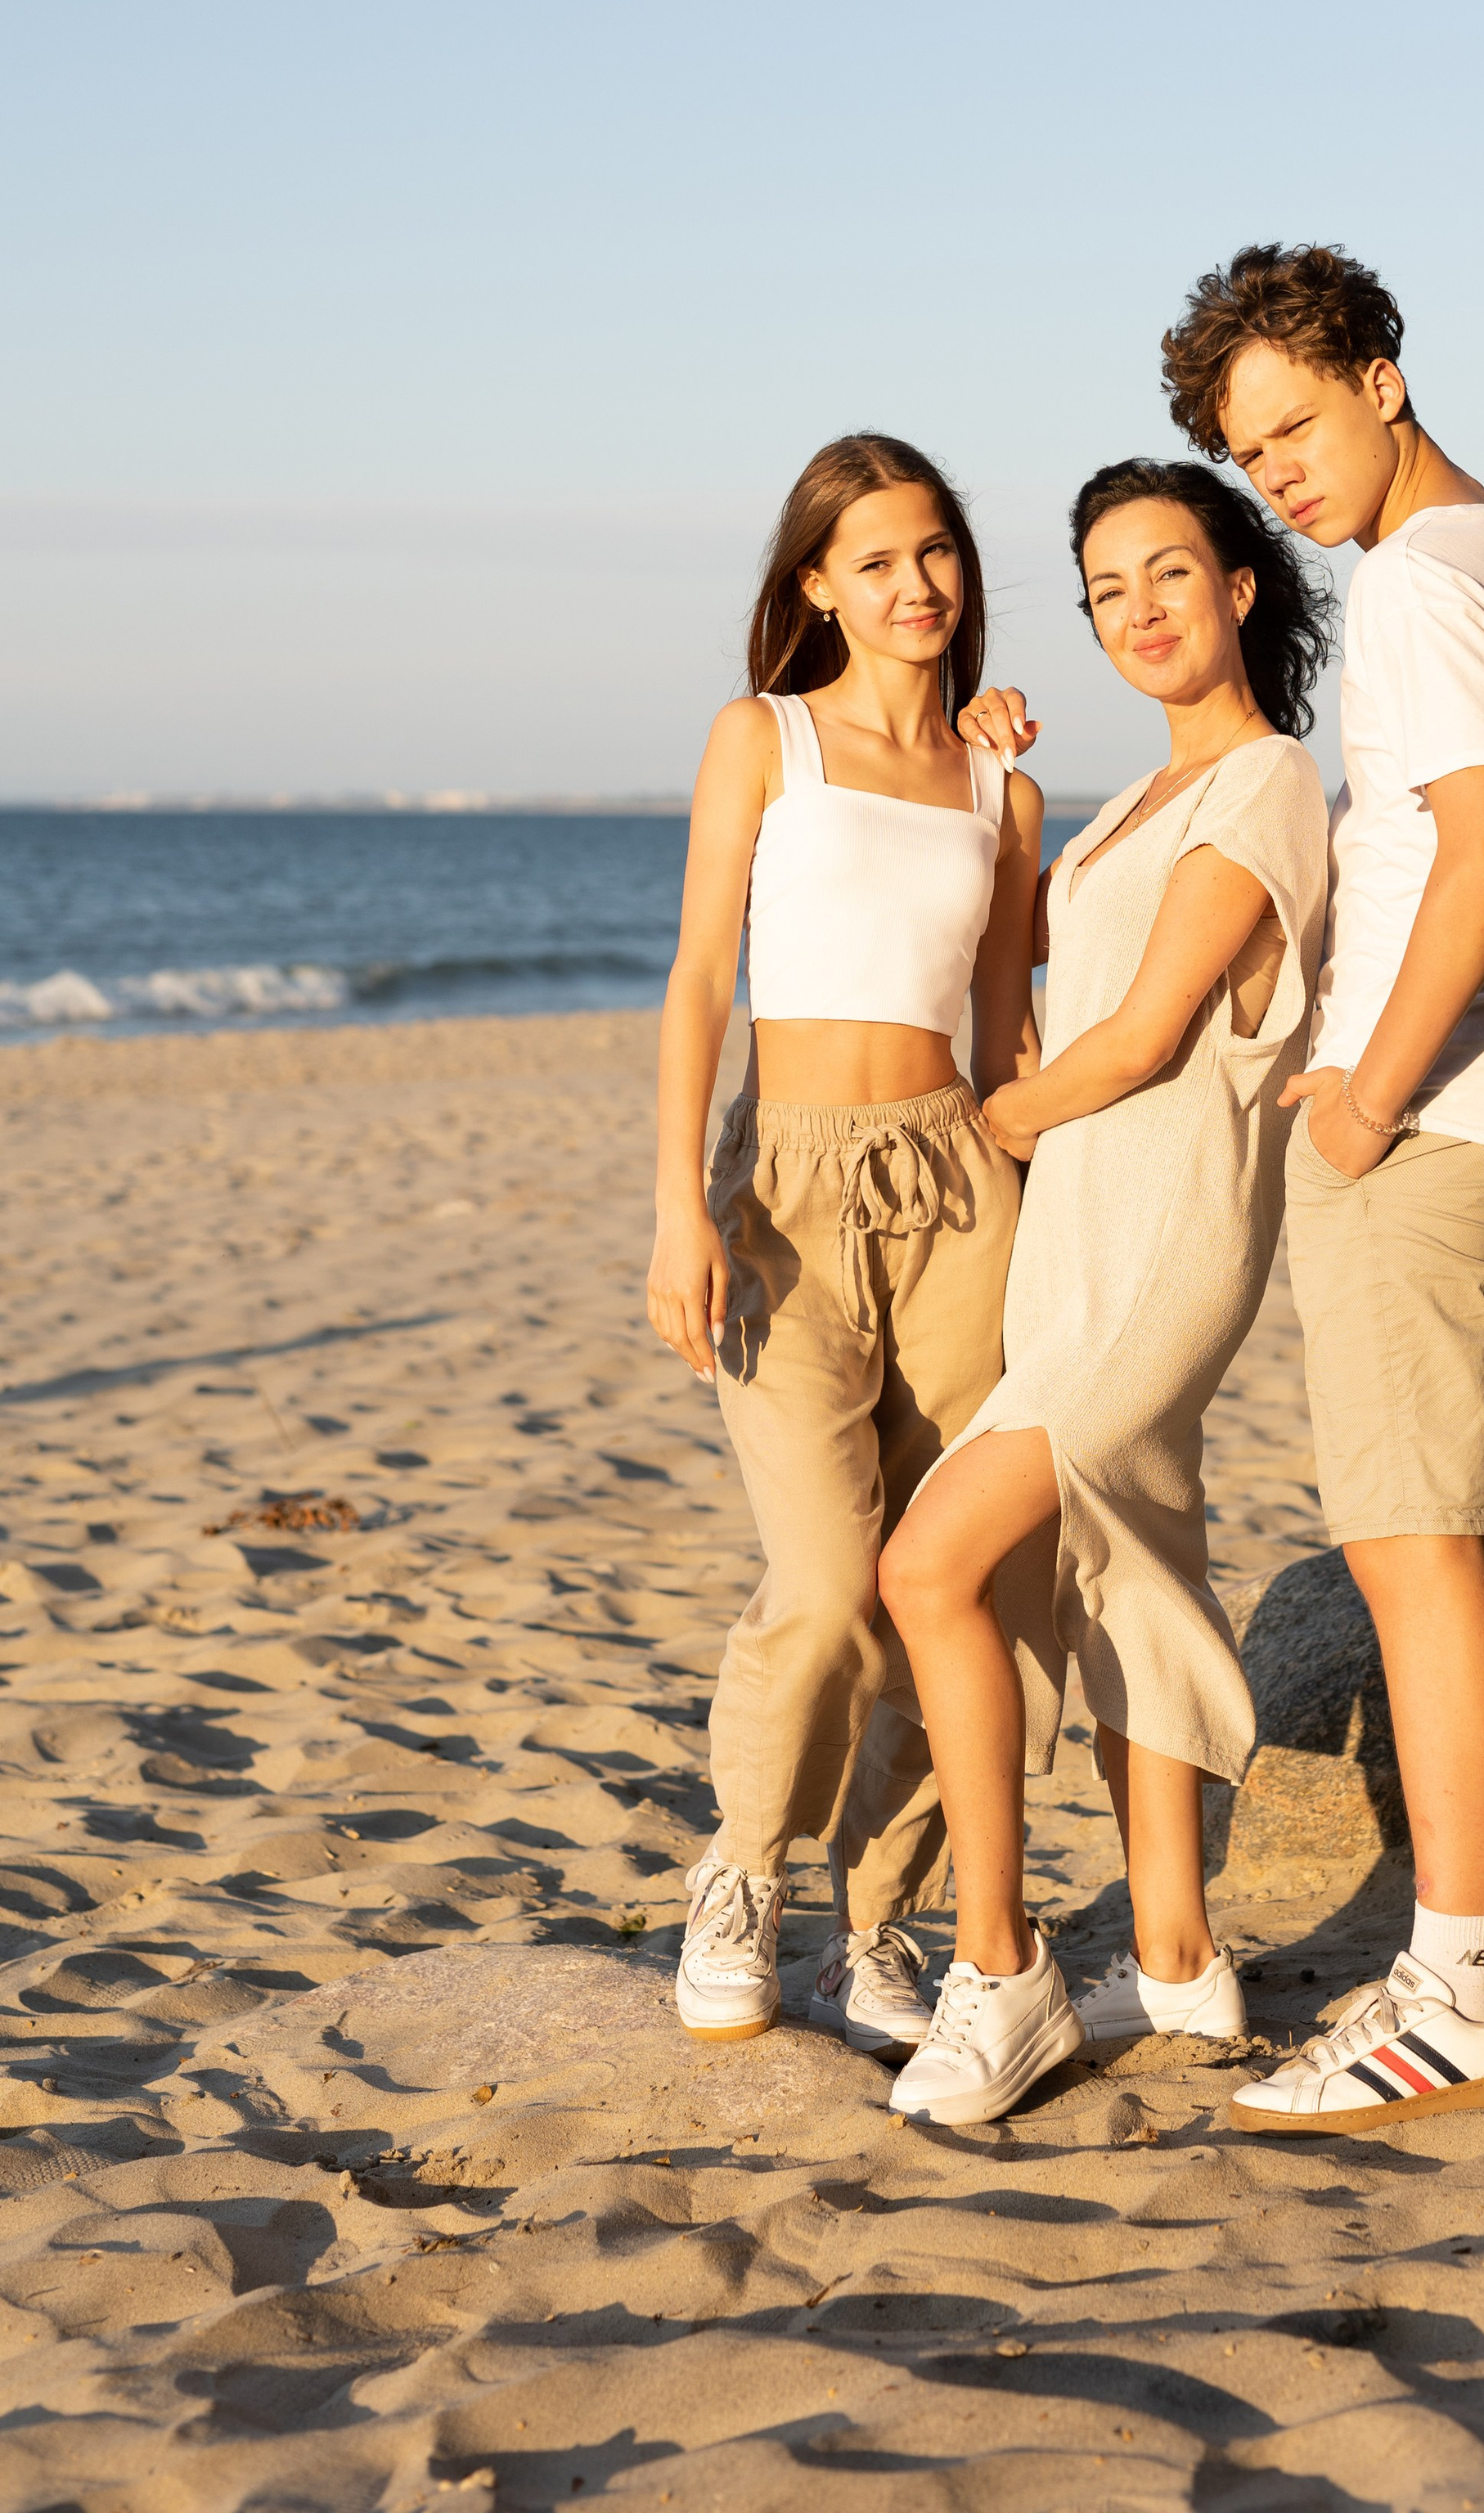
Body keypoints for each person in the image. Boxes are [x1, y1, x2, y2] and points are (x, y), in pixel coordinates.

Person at [1142, 242, 1484, 2134]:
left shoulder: (1419, 587)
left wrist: (1371, 1093)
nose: (1276, 475)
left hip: (1432, 1140)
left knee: (1412, 1548)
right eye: (1244, 448)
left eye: (1291, 424)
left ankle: (1455, 1985)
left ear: (1382, 374)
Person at [874, 459, 1333, 2127]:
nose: (1135, 614)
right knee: (1130, 1569)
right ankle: (1176, 1951)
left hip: (1161, 1243)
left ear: (1241, 589)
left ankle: (999, 1978)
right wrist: (1003, 805)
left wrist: (988, 1123)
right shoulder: (1138, 804)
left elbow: (1136, 1038)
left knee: (928, 1562)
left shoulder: (1270, 782)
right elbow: (1034, 999)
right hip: (1072, 1236)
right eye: (1102, 594)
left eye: (1166, 576)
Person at [647, 434, 1043, 2052]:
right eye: (874, 559)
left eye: (935, 550)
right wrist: (678, 1201)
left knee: (949, 1590)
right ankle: (743, 1871)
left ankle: (875, 1932)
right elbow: (695, 980)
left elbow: (1008, 1026)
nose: (915, 584)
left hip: (962, 1189)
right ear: (815, 583)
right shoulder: (762, 739)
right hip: (785, 1193)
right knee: (818, 1583)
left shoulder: (999, 779)